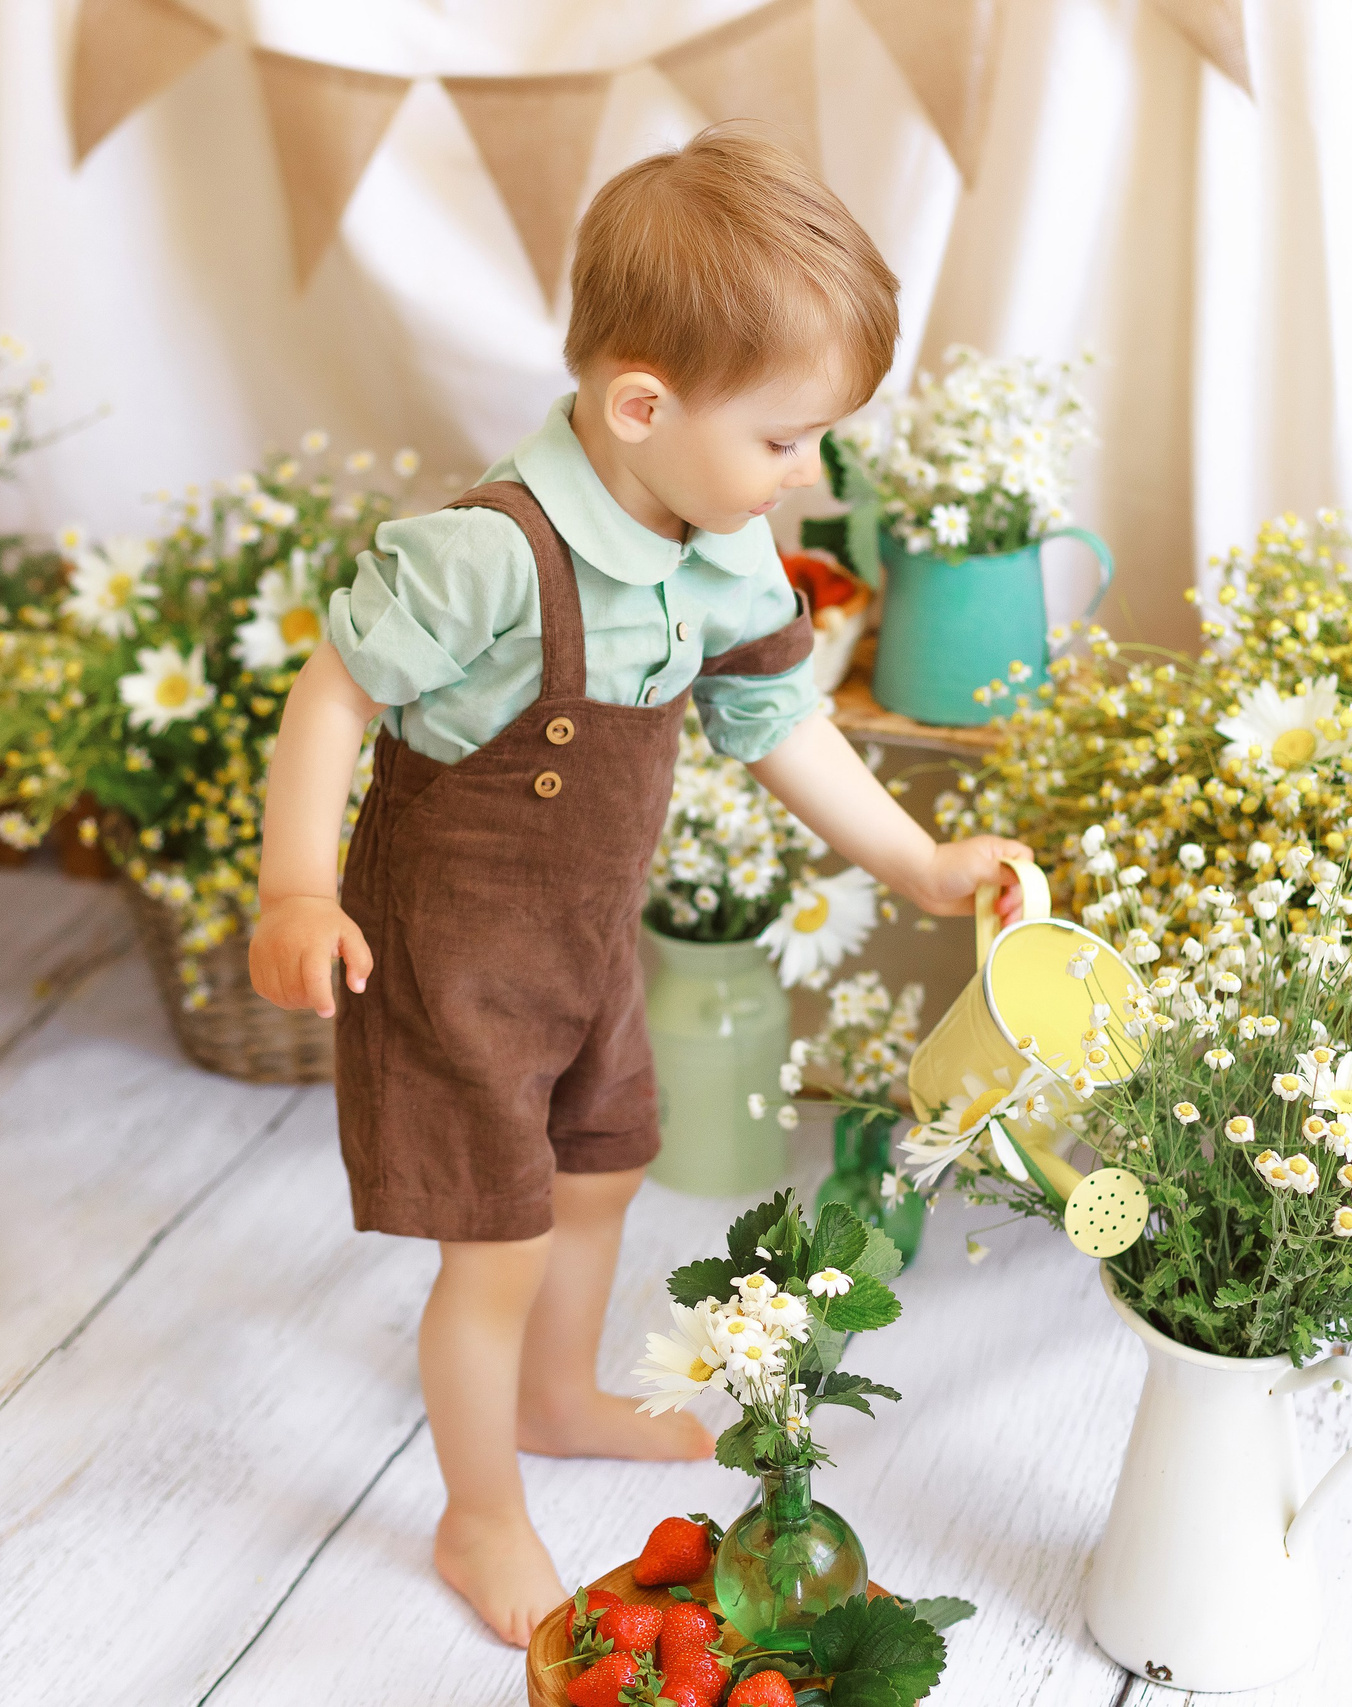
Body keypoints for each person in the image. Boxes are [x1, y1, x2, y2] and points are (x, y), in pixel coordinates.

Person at [249, 124, 1033, 1647]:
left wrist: (921, 861)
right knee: (500, 1242)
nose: (805, 478)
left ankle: (554, 1395)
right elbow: (330, 695)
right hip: (452, 948)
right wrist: (293, 889)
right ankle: (479, 1517)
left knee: (602, 1169)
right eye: (785, 438)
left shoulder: (723, 549)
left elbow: (778, 725)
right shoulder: (486, 554)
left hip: (585, 942)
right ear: (641, 404)